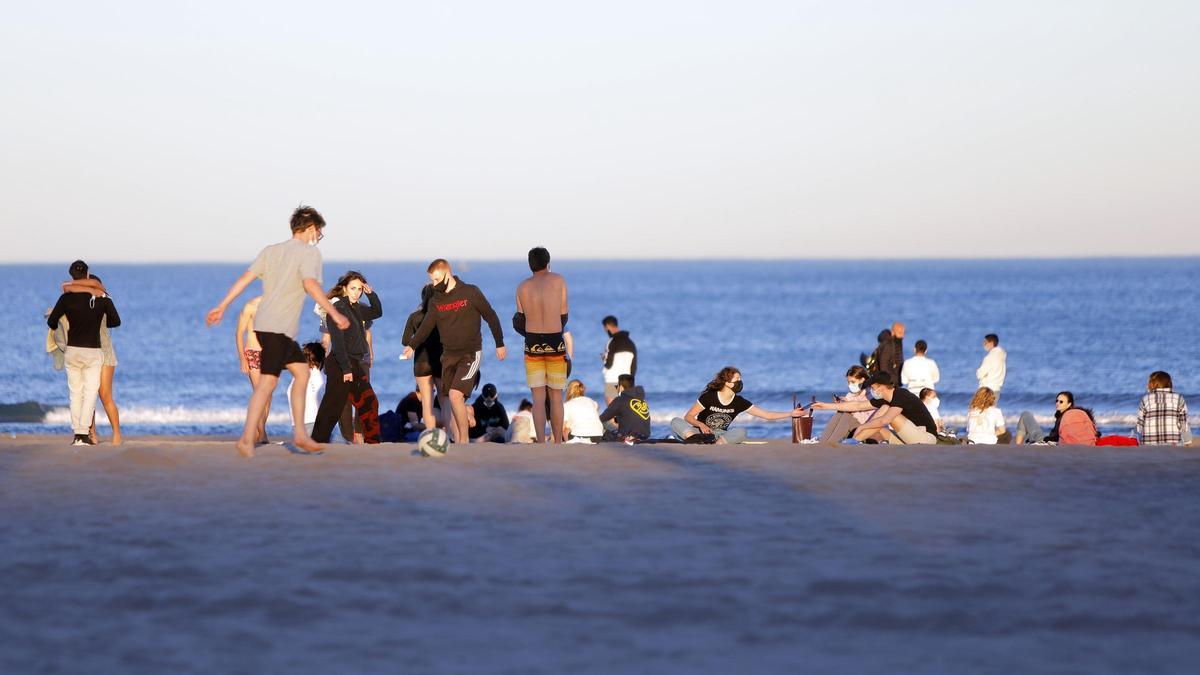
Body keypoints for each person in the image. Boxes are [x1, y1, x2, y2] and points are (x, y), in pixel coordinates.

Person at [206, 205, 349, 457]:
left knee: (295, 374)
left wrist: (222, 305)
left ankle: (284, 436)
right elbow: (310, 285)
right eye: (319, 233)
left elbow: (244, 279)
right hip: (277, 329)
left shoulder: (270, 251)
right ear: (311, 229)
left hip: (265, 328)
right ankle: (260, 438)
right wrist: (334, 313)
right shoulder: (309, 254)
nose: (318, 238)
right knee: (274, 383)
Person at [403, 259, 506, 444]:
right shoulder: (436, 299)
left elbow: (490, 316)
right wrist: (411, 345)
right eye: (431, 280)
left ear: (447, 274)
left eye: (436, 279)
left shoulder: (470, 292)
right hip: (448, 357)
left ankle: (463, 442)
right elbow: (426, 326)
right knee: (453, 401)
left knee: (454, 395)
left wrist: (499, 343)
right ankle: (459, 438)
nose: (434, 284)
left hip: (470, 354)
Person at [47, 261, 121, 446]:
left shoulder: (102, 298)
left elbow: (66, 289)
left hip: (104, 350)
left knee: (103, 395)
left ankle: (114, 434)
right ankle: (90, 433)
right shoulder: (86, 300)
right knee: (90, 393)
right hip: (91, 349)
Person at [312, 272, 382, 444]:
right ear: (344, 289)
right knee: (333, 407)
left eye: (359, 289)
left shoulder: (358, 308)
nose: (357, 293)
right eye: (353, 289)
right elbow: (338, 343)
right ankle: (316, 441)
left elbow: (377, 312)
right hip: (340, 364)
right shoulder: (337, 310)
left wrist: (371, 294)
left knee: (369, 402)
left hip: (354, 363)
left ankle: (373, 443)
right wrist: (346, 369)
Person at [513, 247, 569, 443]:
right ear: (548, 262)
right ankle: (558, 441)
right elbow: (564, 314)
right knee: (556, 396)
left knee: (537, 397)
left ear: (530, 265)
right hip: (554, 340)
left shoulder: (522, 287)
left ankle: (541, 442)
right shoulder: (558, 280)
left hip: (532, 342)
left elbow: (519, 319)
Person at [671, 367, 809, 444]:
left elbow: (767, 415)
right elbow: (688, 416)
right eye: (737, 379)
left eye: (740, 379)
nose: (740, 382)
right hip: (699, 432)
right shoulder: (709, 396)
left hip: (720, 435)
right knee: (675, 421)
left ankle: (716, 444)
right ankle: (694, 440)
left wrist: (790, 413)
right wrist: (701, 425)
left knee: (742, 431)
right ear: (727, 383)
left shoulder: (739, 402)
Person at [814, 372, 938, 444]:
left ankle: (853, 442)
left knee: (886, 414)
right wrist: (825, 406)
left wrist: (862, 427)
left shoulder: (901, 395)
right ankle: (855, 442)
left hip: (925, 438)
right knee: (878, 431)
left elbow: (884, 420)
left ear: (881, 387)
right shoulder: (886, 399)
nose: (872, 391)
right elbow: (857, 406)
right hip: (908, 438)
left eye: (873, 388)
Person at [402, 284, 445, 432]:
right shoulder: (442, 315)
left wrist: (417, 342)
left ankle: (430, 435)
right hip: (440, 361)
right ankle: (450, 435)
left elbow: (405, 341)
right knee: (444, 400)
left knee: (427, 402)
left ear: (422, 297)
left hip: (421, 362)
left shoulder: (414, 317)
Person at [234, 295, 271, 444]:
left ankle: (258, 432)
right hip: (253, 353)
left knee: (268, 396)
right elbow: (239, 333)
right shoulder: (251, 305)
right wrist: (242, 358)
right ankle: (262, 433)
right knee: (260, 392)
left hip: (271, 355)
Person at [817, 366, 872, 443]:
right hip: (850, 428)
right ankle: (823, 442)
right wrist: (841, 406)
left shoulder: (871, 394)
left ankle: (830, 443)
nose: (850, 385)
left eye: (852, 382)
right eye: (848, 382)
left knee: (847, 416)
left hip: (864, 427)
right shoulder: (850, 395)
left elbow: (868, 419)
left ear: (862, 380)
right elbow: (841, 419)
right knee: (840, 413)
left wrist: (849, 410)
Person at [1136, 371, 1190, 445]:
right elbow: (1184, 423)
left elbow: (1140, 424)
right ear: (1169, 383)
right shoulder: (1179, 398)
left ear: (1152, 384)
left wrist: (1139, 440)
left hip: (1149, 443)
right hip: (1173, 443)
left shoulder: (1146, 399)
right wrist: (1187, 441)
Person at [286, 342, 326, 437]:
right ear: (321, 360)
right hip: (313, 426)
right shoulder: (318, 377)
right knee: (344, 443)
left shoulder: (296, 377)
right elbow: (323, 406)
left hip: (296, 429)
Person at [599, 374, 652, 442]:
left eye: (617, 386)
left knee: (604, 423)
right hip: (645, 436)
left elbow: (602, 418)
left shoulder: (620, 400)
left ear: (621, 387)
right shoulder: (642, 400)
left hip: (628, 437)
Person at [601, 316, 638, 404]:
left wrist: (604, 358)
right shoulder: (631, 343)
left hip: (612, 378)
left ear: (608, 327)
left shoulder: (611, 341)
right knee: (625, 408)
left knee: (611, 409)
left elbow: (608, 364)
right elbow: (634, 365)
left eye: (605, 329)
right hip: (627, 379)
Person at [976, 333, 1007, 398]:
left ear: (991, 343)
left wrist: (978, 372)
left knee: (978, 408)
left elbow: (980, 374)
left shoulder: (990, 357)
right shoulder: (1001, 356)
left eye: (985, 342)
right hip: (997, 389)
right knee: (992, 408)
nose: (983, 344)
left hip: (987, 390)